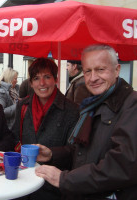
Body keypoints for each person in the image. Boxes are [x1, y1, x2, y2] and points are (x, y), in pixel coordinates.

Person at [35, 44, 137, 200]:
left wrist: (64, 179)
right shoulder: (92, 104)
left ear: (117, 70)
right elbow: (82, 152)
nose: (93, 77)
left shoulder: (132, 104)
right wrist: (52, 154)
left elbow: (122, 166)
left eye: (100, 69)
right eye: (88, 71)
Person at [12, 57, 80, 200]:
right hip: (23, 182)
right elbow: (14, 137)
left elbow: (75, 151)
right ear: (31, 83)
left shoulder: (72, 110)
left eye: (47, 77)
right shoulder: (23, 106)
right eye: (36, 78)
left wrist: (52, 154)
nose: (42, 83)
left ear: (55, 79)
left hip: (52, 188)